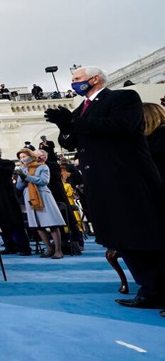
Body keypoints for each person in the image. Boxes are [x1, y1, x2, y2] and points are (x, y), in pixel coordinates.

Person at [45, 66, 165, 311]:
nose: (73, 83)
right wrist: (64, 126)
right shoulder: (82, 108)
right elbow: (70, 141)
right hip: (101, 183)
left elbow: (120, 126)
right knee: (121, 238)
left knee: (145, 235)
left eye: (77, 79)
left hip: (129, 178)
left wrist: (75, 122)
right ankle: (150, 290)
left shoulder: (123, 98)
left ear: (94, 78)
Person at [15, 149, 65, 259]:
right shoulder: (22, 169)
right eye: (20, 157)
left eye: (24, 156)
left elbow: (43, 181)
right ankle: (49, 249)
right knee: (38, 225)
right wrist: (22, 178)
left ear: (30, 155)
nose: (22, 159)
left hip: (43, 195)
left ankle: (58, 250)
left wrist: (26, 177)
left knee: (52, 224)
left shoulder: (42, 167)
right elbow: (18, 187)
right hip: (29, 196)